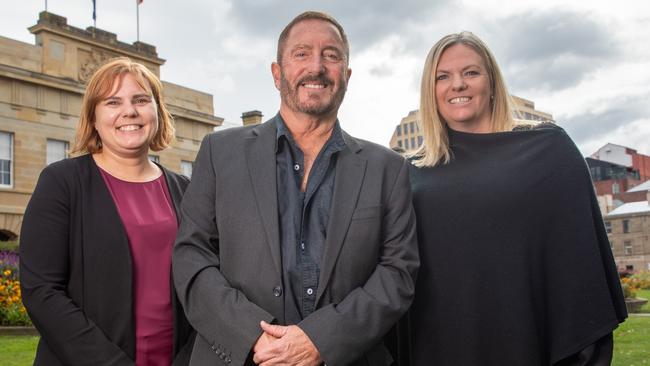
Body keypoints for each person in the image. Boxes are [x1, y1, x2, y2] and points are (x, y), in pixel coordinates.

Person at [172, 11, 419, 366]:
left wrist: (321, 340)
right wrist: (252, 337)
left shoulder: (388, 168)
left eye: (331, 55)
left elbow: (398, 272)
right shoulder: (219, 152)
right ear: (277, 73)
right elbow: (191, 256)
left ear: (346, 76)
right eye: (301, 53)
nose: (316, 67)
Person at [405, 31, 627, 365]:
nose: (458, 85)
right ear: (430, 90)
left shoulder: (548, 150)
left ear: (492, 81)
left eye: (471, 73)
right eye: (443, 77)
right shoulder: (411, 171)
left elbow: (581, 263)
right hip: (440, 346)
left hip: (527, 340)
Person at [20, 57, 194, 365]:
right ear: (94, 118)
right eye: (113, 102)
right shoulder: (62, 183)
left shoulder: (186, 191)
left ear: (156, 111)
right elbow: (42, 291)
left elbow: (203, 284)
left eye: (141, 100)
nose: (130, 111)